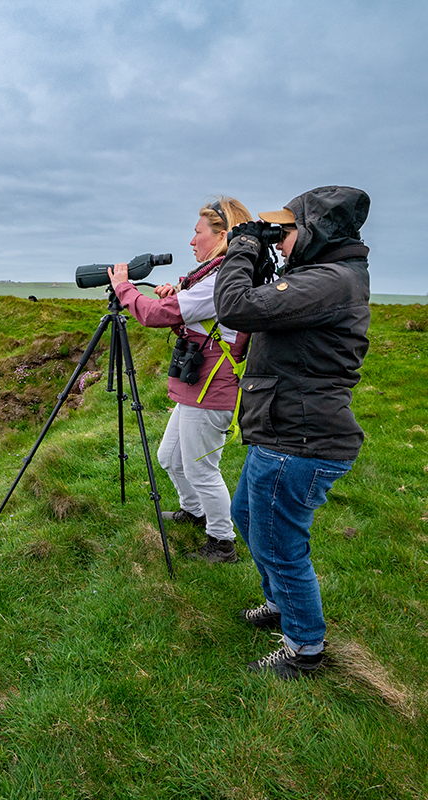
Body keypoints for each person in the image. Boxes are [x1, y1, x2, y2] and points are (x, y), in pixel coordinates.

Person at [213, 185, 371, 678]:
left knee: (280, 542)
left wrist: (241, 246)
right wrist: (261, 255)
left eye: (287, 230)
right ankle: (281, 604)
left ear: (316, 230)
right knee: (246, 513)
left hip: (300, 439)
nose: (279, 240)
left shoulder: (329, 281)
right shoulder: (323, 277)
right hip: (287, 430)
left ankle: (305, 650)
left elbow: (235, 307)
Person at [107, 197, 251, 563]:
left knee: (202, 469)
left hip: (212, 388)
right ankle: (195, 512)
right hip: (197, 384)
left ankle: (222, 542)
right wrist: (179, 296)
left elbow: (157, 315)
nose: (192, 241)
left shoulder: (221, 279)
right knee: (169, 457)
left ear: (221, 236)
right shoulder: (216, 276)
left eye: (197, 232)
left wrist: (125, 289)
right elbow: (191, 315)